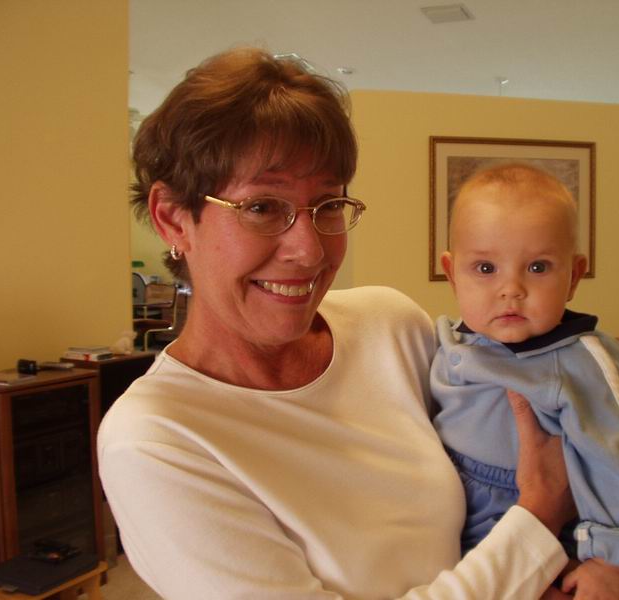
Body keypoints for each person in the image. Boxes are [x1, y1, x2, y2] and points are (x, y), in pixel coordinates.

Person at [98, 47, 580, 599]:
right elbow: (537, 499)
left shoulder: (391, 327)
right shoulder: (154, 439)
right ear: (173, 219)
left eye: (328, 204)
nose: (309, 250)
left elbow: (495, 478)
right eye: (262, 207)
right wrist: (539, 518)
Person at [431, 163, 619, 598]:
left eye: (537, 267)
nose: (511, 289)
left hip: (536, 521)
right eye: (485, 268)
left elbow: (613, 458)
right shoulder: (444, 341)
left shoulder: (577, 359)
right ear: (451, 273)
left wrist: (609, 561)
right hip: (446, 518)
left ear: (573, 276)